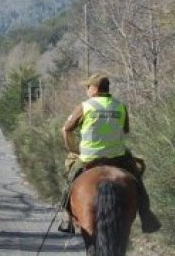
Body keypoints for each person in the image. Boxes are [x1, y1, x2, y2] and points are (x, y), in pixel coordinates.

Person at [59, 73, 161, 234]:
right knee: (137, 180)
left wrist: (73, 150)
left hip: (89, 156)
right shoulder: (120, 106)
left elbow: (65, 130)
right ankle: (146, 216)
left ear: (94, 89)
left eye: (88, 86)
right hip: (117, 155)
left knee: (70, 176)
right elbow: (125, 131)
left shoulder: (85, 106)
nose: (86, 89)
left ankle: (67, 216)